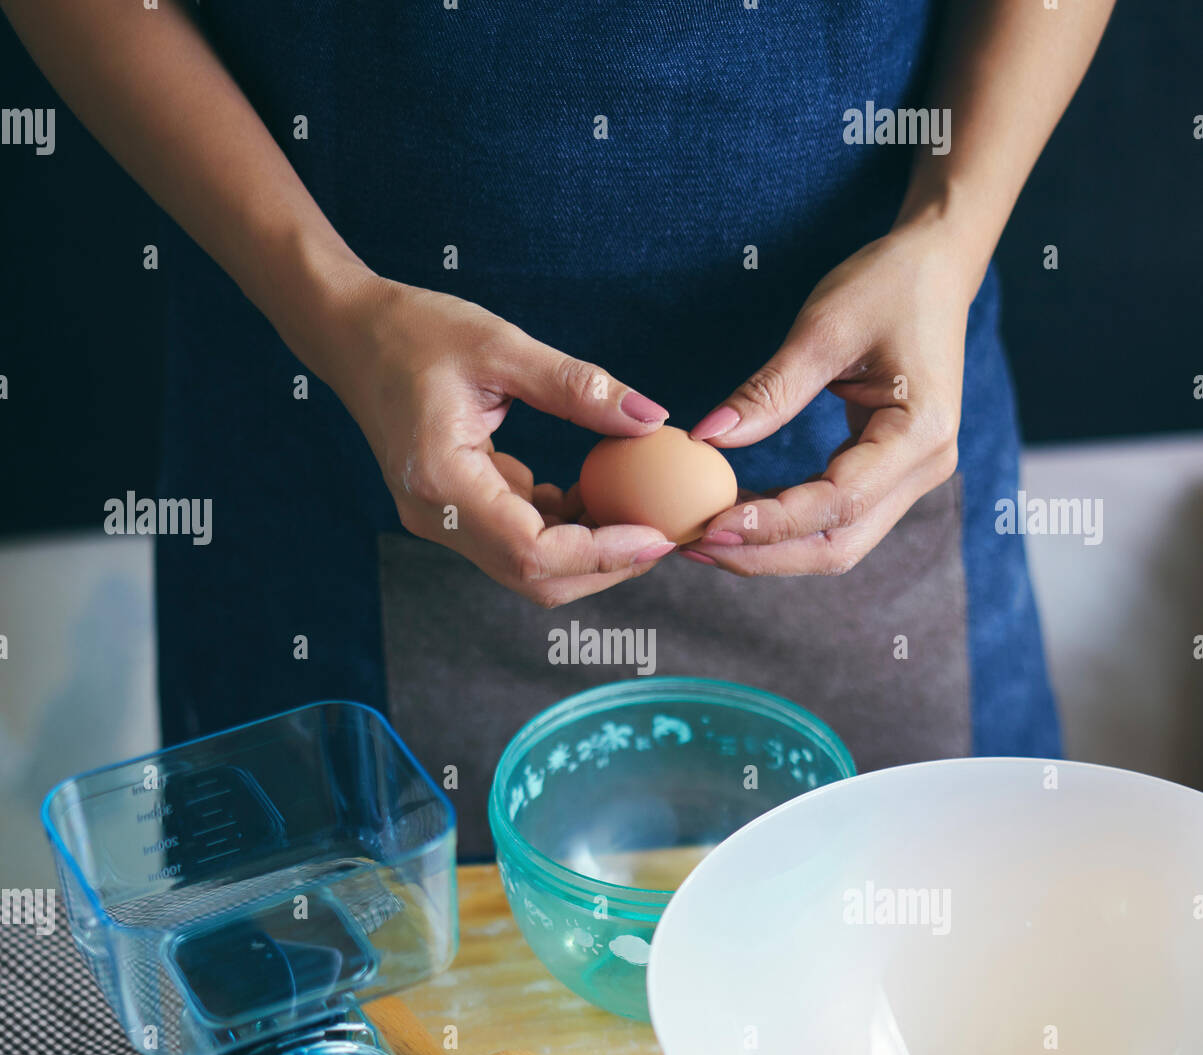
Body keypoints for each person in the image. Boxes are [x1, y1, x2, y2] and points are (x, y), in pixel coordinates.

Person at [4, 1, 1115, 856]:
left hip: (864, 443)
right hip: (338, 429)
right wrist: (334, 307)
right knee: (345, 1050)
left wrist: (952, 229)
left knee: (934, 990)